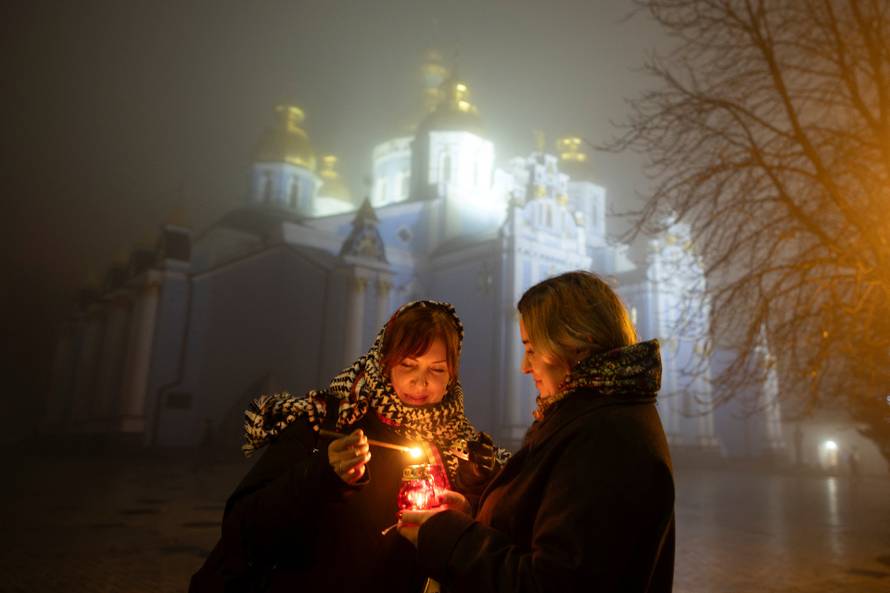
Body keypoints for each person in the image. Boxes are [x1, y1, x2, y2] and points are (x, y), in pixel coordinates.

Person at [190, 300, 508, 593]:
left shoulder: (467, 451)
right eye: (408, 365)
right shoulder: (330, 423)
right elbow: (242, 527)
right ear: (384, 365)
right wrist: (322, 475)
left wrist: (466, 516)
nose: (420, 383)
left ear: (452, 375)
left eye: (436, 369)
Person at [399, 271, 675, 592]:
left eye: (530, 348)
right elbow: (546, 526)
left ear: (576, 344)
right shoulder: (589, 415)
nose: (524, 366)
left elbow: (553, 583)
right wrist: (473, 518)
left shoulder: (605, 438)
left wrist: (451, 538)